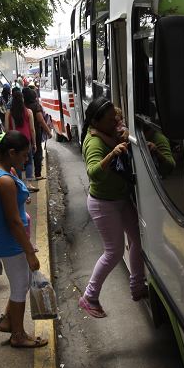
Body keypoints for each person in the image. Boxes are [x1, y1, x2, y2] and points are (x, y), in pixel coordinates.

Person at [78, 97, 147, 318]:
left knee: (137, 238)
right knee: (114, 251)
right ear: (96, 122)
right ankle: (89, 297)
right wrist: (111, 155)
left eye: (114, 119)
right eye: (109, 120)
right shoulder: (94, 142)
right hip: (103, 204)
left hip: (120, 198)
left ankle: (137, 286)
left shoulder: (105, 133)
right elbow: (93, 174)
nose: (114, 123)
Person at [0, 131, 46, 348]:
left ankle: (9, 320)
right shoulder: (5, 181)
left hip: (2, 237)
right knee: (19, 287)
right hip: (11, 241)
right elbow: (14, 222)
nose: (26, 159)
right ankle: (18, 335)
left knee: (22, 283)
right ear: (11, 152)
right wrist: (29, 252)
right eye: (24, 155)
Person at [4, 89, 39, 192]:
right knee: (28, 162)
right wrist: (34, 143)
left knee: (16, 163)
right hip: (26, 140)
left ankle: (18, 184)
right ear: (23, 99)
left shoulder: (8, 113)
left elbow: (6, 129)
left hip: (14, 140)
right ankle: (29, 184)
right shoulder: (29, 112)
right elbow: (32, 129)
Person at [22, 87, 52, 180]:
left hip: (24, 133)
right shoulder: (36, 106)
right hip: (35, 132)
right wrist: (48, 132)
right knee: (37, 151)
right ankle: (37, 174)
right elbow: (41, 120)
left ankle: (27, 175)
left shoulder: (23, 106)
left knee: (27, 153)